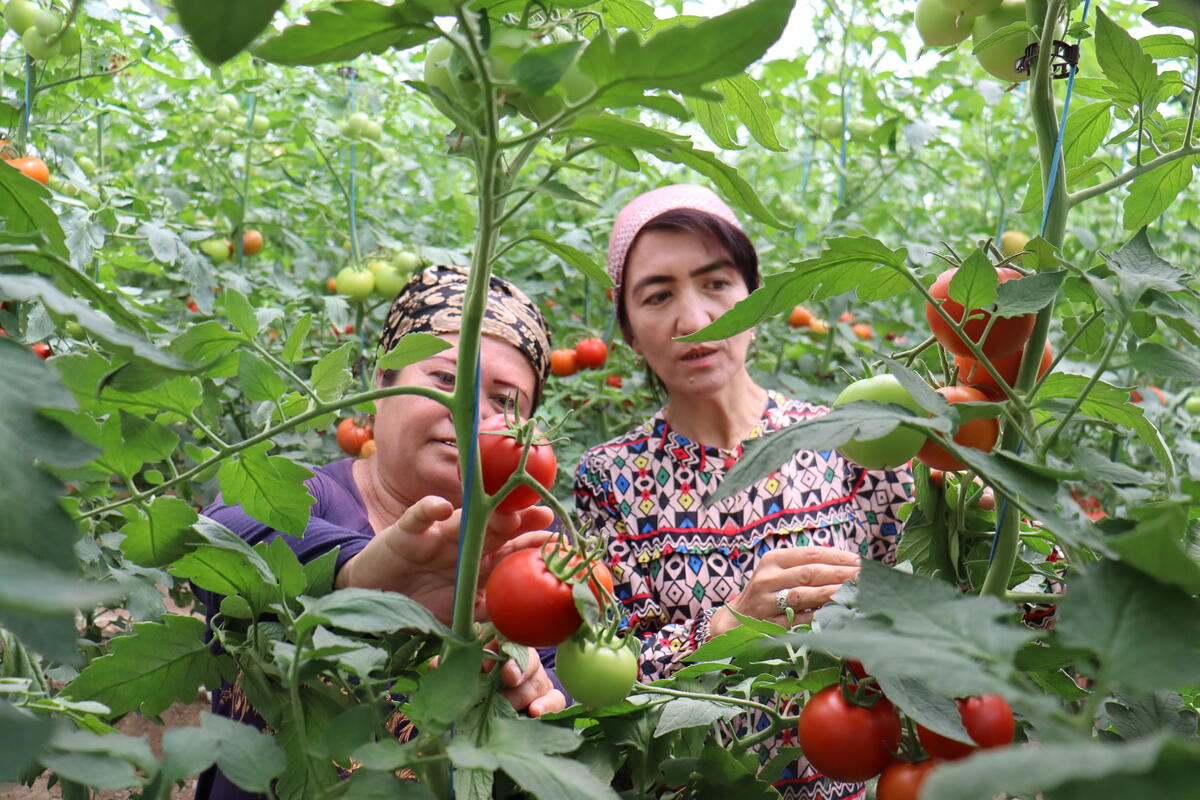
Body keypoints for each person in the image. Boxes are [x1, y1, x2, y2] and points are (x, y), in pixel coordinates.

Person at [574, 185, 913, 800]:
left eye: (716, 284)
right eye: (657, 295)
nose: (695, 320)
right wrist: (731, 623)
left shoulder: (847, 440)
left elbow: (926, 602)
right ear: (626, 327)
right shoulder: (609, 479)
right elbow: (605, 678)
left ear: (754, 297)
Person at [194, 265, 566, 800]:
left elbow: (556, 688)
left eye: (507, 402)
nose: (468, 412)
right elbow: (220, 537)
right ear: (378, 388)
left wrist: (535, 697)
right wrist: (353, 575)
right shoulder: (308, 494)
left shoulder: (516, 565)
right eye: (445, 379)